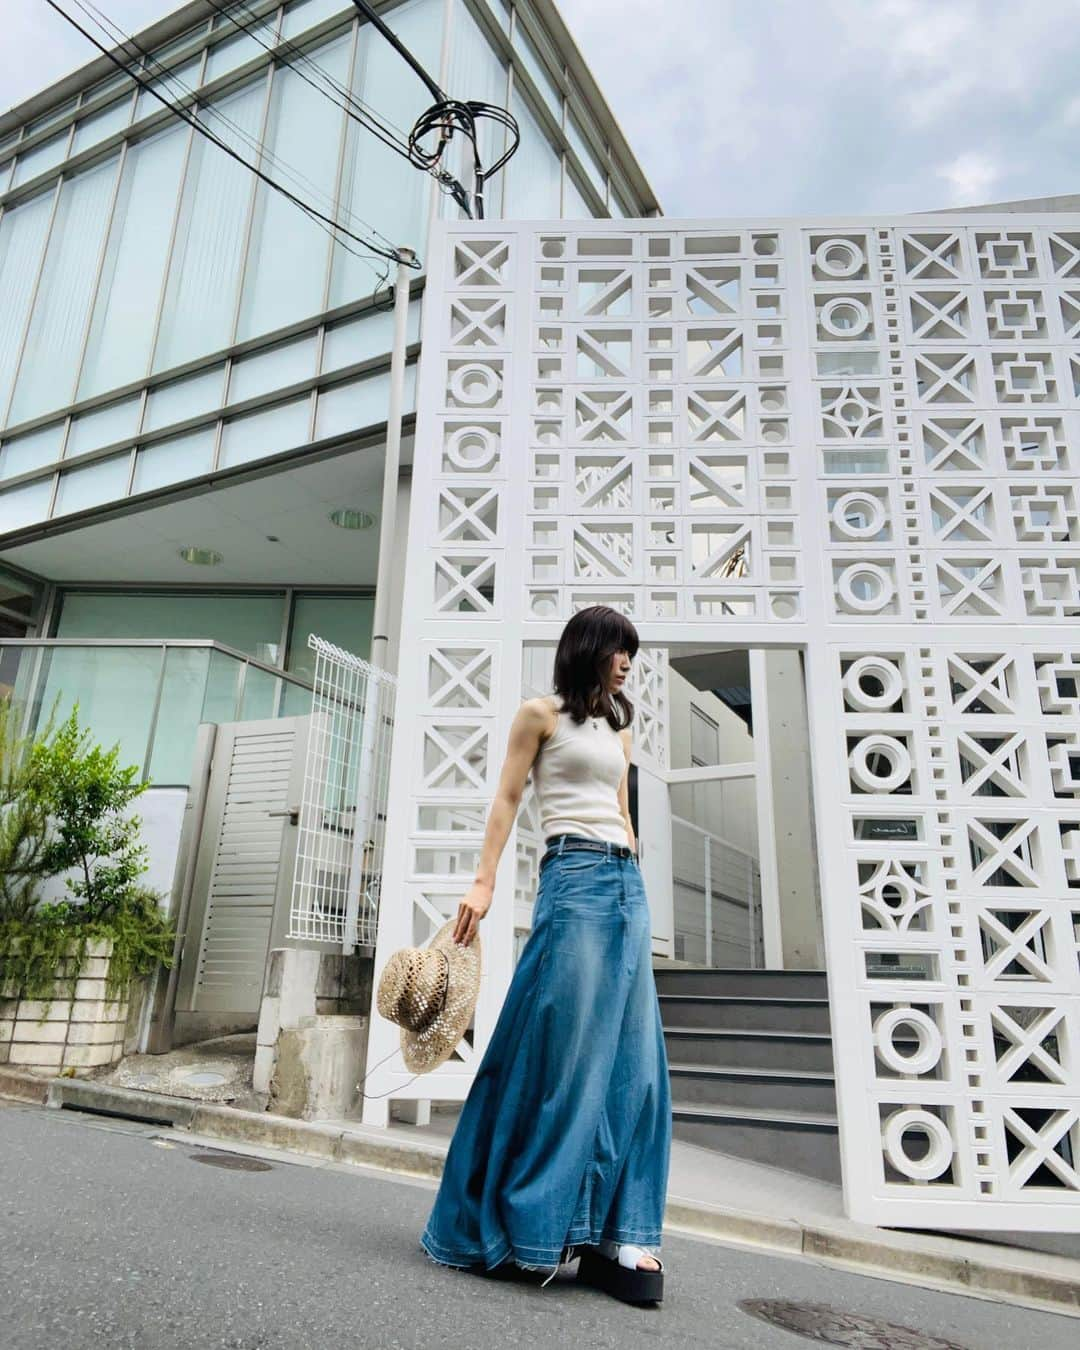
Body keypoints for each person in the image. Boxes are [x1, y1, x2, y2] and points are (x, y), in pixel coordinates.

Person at [418, 605, 671, 1305]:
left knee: (635, 1064)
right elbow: (505, 798)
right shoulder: (541, 715)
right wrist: (483, 881)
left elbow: (622, 807)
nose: (626, 662)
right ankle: (527, 1224)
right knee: (562, 1053)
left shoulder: (619, 722)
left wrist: (635, 865)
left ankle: (618, 1232)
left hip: (624, 884)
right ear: (589, 648)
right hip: (575, 876)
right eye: (619, 650)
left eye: (631, 653)